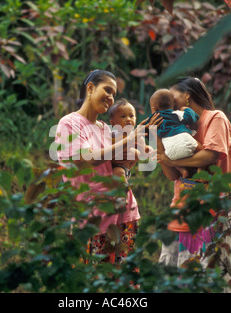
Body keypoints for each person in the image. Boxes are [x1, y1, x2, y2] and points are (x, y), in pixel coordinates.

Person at [55, 70, 157, 264]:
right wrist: (132, 138)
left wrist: (136, 154)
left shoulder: (104, 128)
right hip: (93, 220)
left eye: (113, 94)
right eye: (107, 90)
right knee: (96, 281)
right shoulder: (69, 123)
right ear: (90, 88)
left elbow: (120, 162)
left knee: (123, 280)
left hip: (124, 212)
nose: (111, 98)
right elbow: (88, 159)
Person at [156, 77, 231, 270]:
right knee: (171, 267)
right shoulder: (175, 127)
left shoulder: (215, 118)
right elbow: (172, 175)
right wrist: (157, 135)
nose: (168, 99)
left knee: (211, 268)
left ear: (186, 95)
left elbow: (211, 155)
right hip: (182, 207)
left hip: (214, 205)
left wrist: (173, 160)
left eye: (172, 94)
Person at [145, 89, 203, 178]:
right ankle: (201, 169)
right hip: (184, 139)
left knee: (167, 159)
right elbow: (191, 118)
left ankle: (181, 169)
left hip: (168, 148)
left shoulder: (152, 120)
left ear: (154, 109)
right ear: (173, 105)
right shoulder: (177, 114)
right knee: (201, 149)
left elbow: (147, 133)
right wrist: (186, 109)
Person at [108, 98, 153, 182]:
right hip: (109, 164)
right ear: (113, 123)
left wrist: (147, 150)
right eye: (123, 116)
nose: (128, 119)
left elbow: (143, 153)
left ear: (135, 118)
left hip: (121, 167)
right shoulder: (112, 134)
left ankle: (123, 190)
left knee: (134, 153)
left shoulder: (138, 136)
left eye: (131, 116)